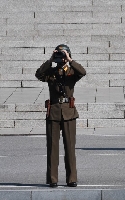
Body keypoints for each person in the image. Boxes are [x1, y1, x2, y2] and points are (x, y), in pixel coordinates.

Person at [35, 44, 86, 188]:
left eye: (63, 55)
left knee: (70, 147)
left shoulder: (71, 71)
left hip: (69, 112)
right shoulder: (51, 72)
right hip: (54, 112)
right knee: (52, 148)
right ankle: (53, 179)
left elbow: (83, 72)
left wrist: (70, 60)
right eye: (60, 55)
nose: (61, 58)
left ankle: (72, 179)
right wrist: (51, 59)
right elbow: (38, 74)